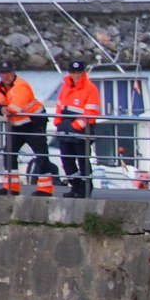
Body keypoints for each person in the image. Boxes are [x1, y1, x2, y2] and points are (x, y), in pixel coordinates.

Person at [0, 66, 55, 197]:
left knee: (41, 154)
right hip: (16, 124)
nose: (6, 76)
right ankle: (11, 187)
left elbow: (16, 107)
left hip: (33, 123)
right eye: (3, 73)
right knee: (9, 152)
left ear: (13, 72)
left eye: (8, 72)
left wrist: (2, 109)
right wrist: (1, 109)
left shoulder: (22, 86)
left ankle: (45, 189)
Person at [52, 60, 102, 198]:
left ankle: (86, 187)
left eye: (79, 72)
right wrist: (58, 123)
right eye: (74, 72)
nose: (76, 75)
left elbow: (91, 112)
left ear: (83, 72)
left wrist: (75, 126)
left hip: (82, 131)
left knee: (83, 160)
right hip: (65, 130)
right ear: (70, 73)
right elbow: (59, 107)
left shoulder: (90, 88)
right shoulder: (65, 87)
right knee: (67, 160)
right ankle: (75, 186)